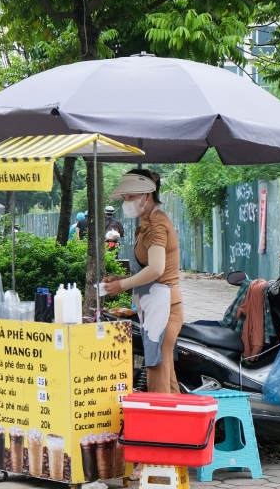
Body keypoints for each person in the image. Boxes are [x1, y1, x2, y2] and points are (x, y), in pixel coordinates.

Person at [102, 169, 183, 394]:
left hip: (164, 307)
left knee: (157, 378)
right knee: (167, 377)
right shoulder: (147, 221)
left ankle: (160, 427)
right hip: (154, 305)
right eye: (125, 198)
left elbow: (156, 269)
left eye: (130, 197)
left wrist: (123, 285)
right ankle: (181, 427)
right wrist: (121, 279)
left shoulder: (157, 224)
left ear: (147, 195)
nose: (126, 202)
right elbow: (150, 269)